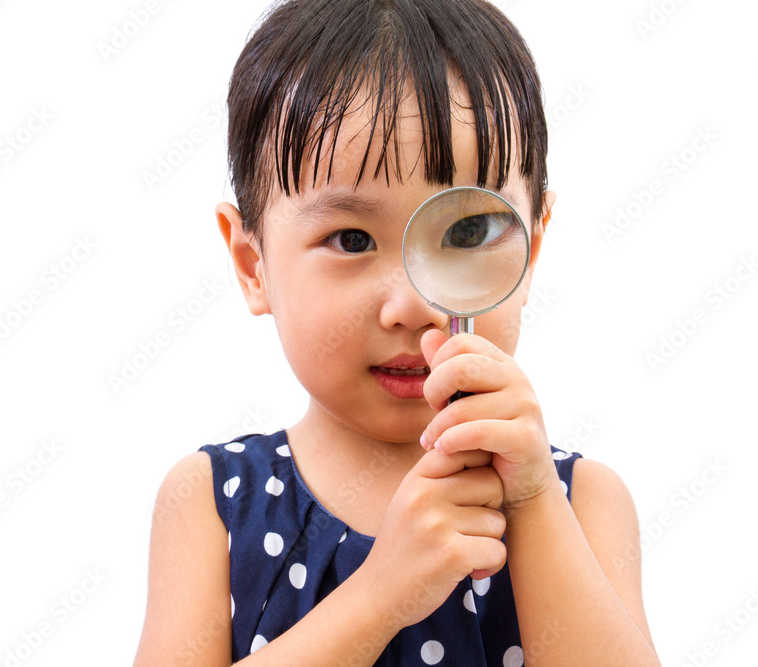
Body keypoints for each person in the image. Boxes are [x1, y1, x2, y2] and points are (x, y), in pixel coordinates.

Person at [135, 0, 659, 664]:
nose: (415, 304)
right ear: (252, 264)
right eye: (351, 238)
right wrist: (382, 593)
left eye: (467, 231)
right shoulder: (211, 502)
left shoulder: (582, 503)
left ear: (532, 248)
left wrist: (531, 503)